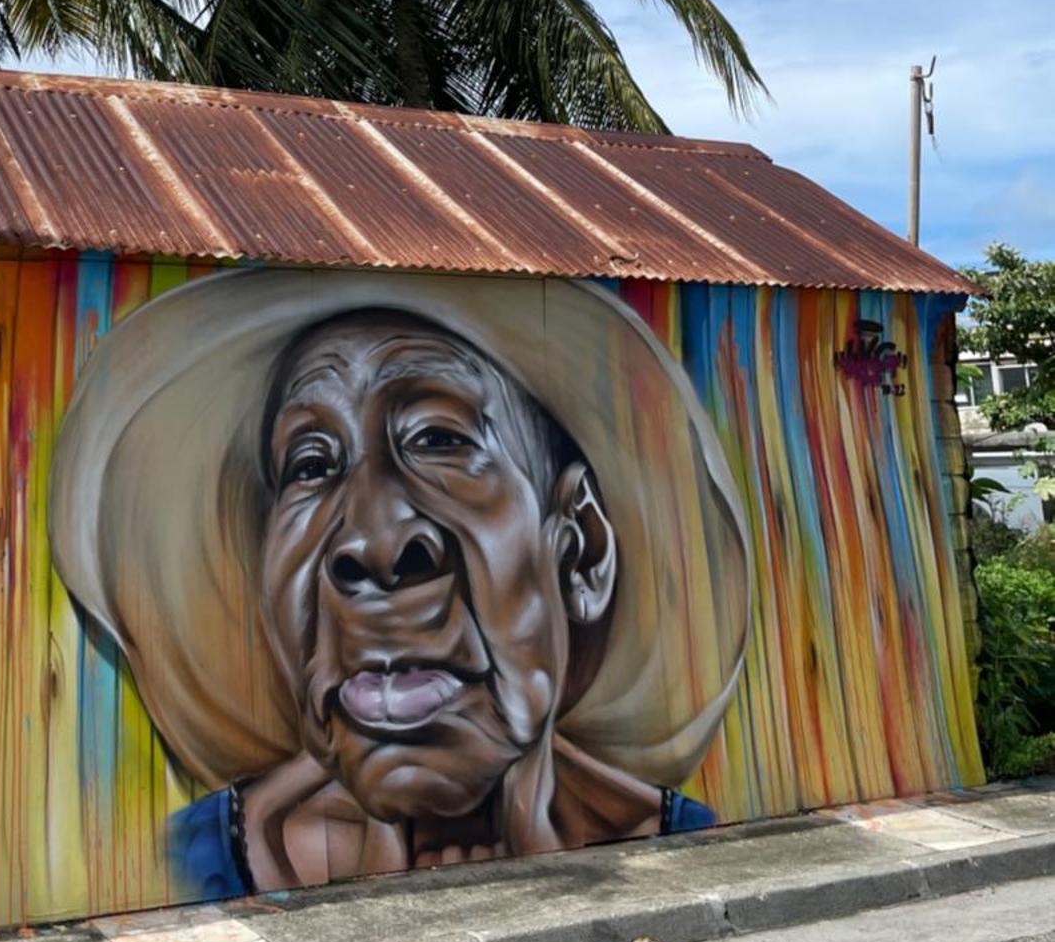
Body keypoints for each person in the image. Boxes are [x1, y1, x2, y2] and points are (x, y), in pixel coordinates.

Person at [50, 270, 750, 901]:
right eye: (312, 463)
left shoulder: (692, 842)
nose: (375, 544)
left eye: (440, 439)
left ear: (581, 550)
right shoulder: (186, 867)